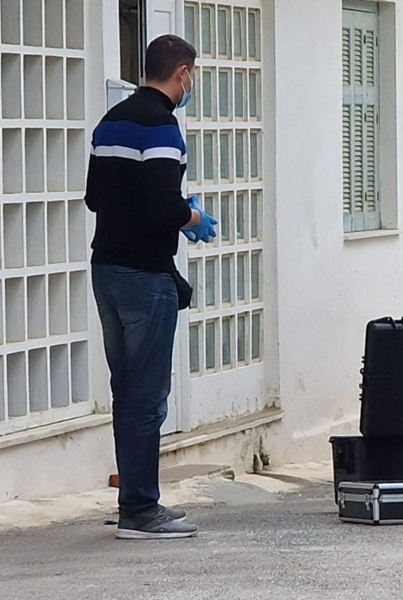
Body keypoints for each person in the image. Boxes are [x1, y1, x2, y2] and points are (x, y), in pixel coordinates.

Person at [86, 34, 217, 540]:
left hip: (107, 270)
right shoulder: (162, 126)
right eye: (192, 76)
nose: (191, 85)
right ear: (182, 73)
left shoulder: (110, 121)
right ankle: (141, 511)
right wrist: (193, 216)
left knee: (127, 391)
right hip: (145, 275)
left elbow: (94, 198)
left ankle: (135, 502)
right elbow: (165, 205)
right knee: (147, 395)